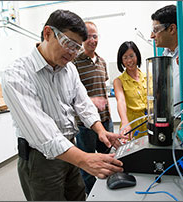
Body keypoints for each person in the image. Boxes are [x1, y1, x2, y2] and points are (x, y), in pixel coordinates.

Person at [2, 10, 126, 201]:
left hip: (70, 148)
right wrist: (84, 159)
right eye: (68, 43)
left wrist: (100, 130)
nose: (72, 52)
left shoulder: (69, 70)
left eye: (77, 47)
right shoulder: (17, 74)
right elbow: (43, 133)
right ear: (47, 33)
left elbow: (83, 104)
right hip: (41, 158)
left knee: (78, 196)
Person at [72, 21, 113, 195]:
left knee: (109, 158)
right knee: (87, 162)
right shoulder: (74, 62)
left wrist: (106, 108)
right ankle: (93, 194)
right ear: (82, 38)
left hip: (105, 120)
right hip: (85, 124)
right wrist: (91, 101)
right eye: (88, 36)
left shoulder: (102, 62)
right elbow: (71, 94)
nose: (92, 40)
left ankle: (109, 189)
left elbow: (102, 88)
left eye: (95, 36)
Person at [151, 5, 181, 118]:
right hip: (167, 119)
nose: (152, 36)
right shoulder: (165, 56)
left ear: (172, 29)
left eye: (155, 30)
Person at [113, 41, 148, 141]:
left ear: (137, 56)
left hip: (149, 123)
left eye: (131, 56)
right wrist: (125, 123)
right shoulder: (119, 81)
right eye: (125, 57)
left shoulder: (148, 76)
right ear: (121, 61)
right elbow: (121, 101)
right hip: (131, 125)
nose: (129, 60)